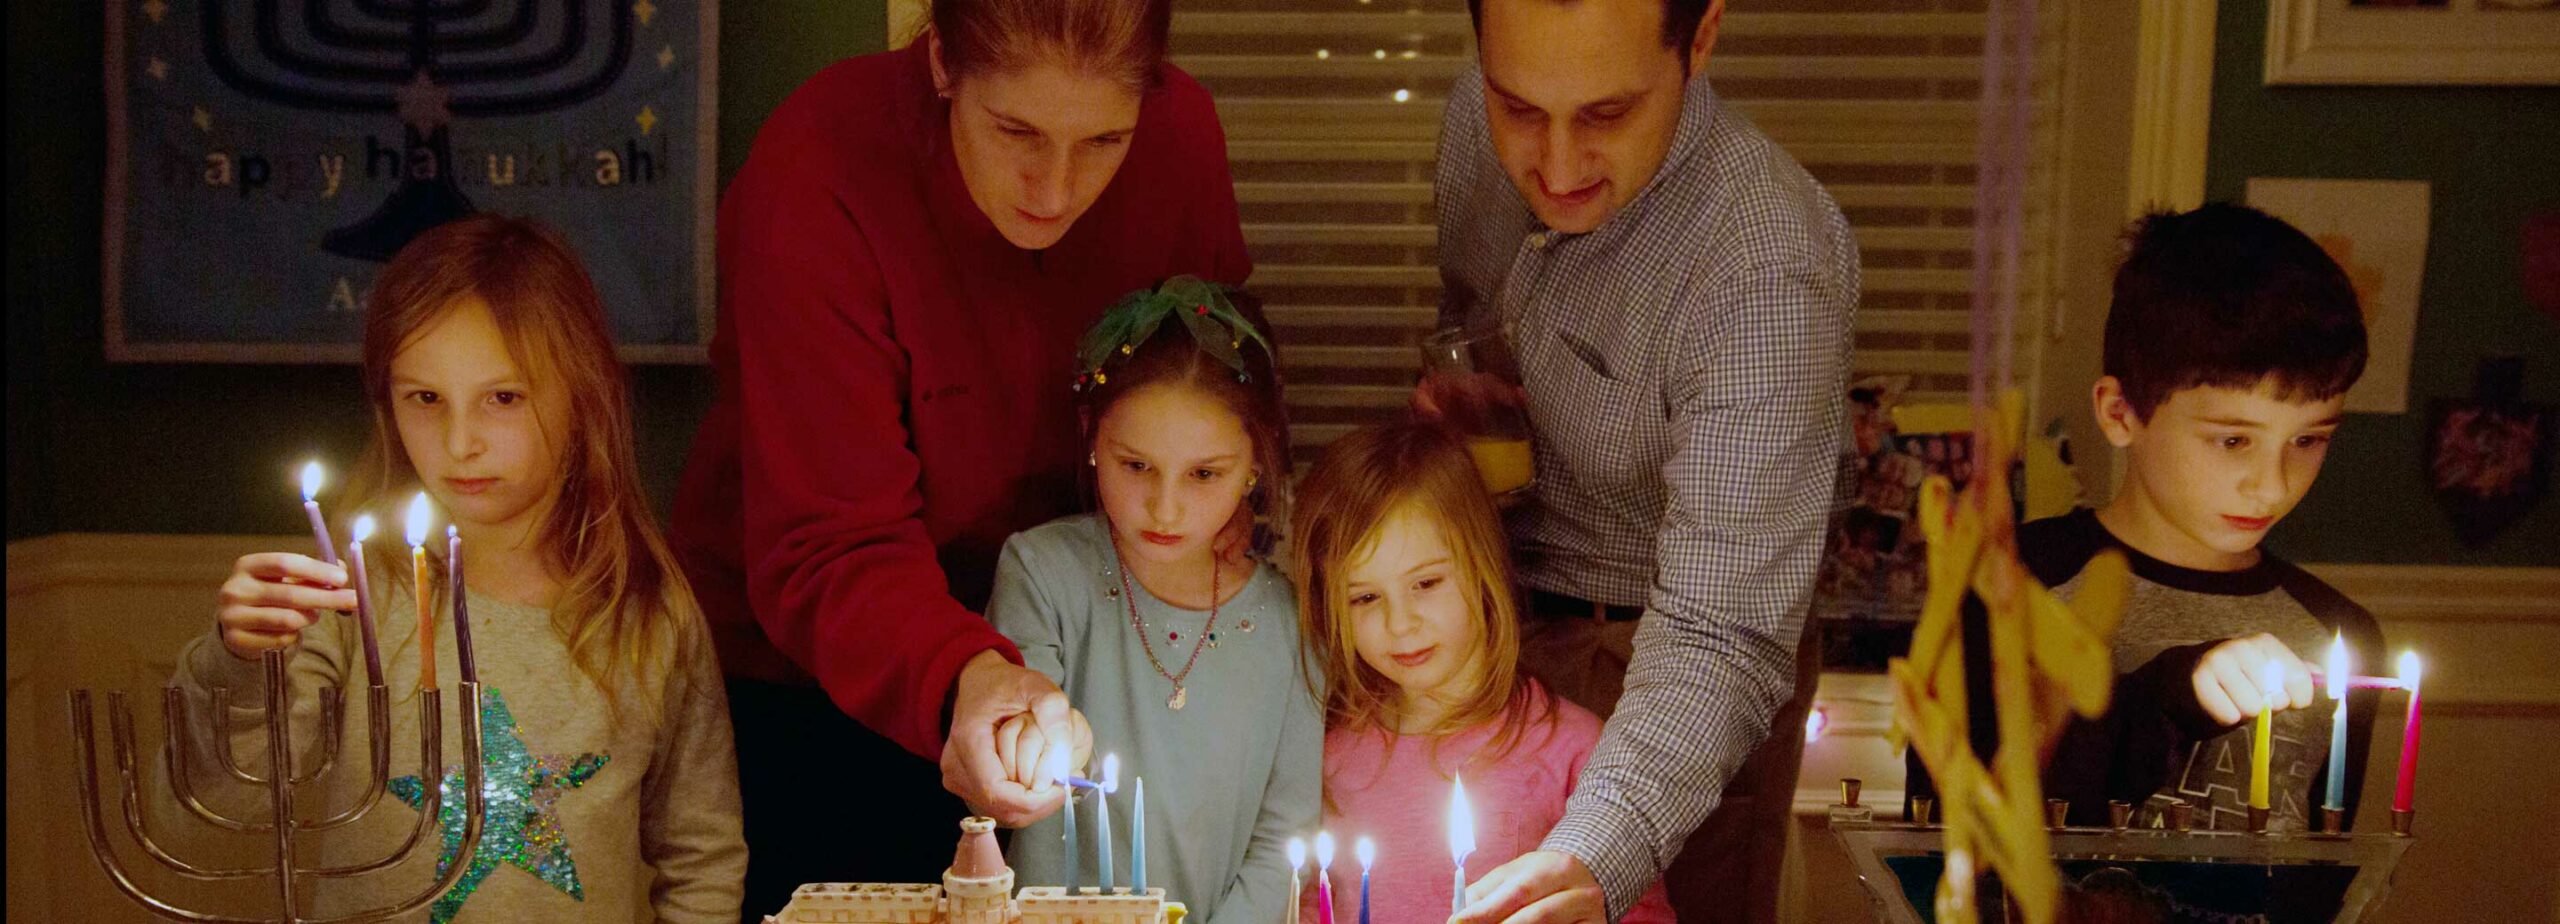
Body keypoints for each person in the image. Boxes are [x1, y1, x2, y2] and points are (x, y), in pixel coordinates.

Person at [665, 0, 1251, 913]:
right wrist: (967, 674)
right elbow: (829, 542)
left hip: (1076, 658)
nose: (1054, 188)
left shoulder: (1182, 142)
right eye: (1015, 129)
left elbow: (1220, 389)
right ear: (941, 60)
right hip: (816, 679)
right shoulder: (818, 166)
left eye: (1102, 141)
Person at [181, 215, 745, 922]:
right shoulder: (345, 597)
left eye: (503, 398)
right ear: (387, 403)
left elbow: (702, 856)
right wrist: (236, 663)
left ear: (583, 392)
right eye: (425, 399)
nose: (460, 442)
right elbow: (233, 797)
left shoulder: (646, 612)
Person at [1429, 0, 1861, 920]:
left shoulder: (1767, 266)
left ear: (1700, 37)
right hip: (1495, 622)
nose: (1552, 164)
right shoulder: (1473, 115)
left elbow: (1721, 629)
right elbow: (1469, 306)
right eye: (1518, 108)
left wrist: (1598, 848)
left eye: (1606, 116)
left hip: (1672, 666)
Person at [1906, 203, 2385, 835]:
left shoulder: (2335, 632)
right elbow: (1947, 839)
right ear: (2120, 413)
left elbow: (2322, 872)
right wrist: (2170, 696)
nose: (2272, 485)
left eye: (2308, 441)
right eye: (2233, 441)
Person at [983, 278, 1318, 923]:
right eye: (1136, 466)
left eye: (1204, 474)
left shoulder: (1289, 622)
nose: (1166, 508)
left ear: (1255, 462)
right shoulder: (1043, 574)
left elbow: (1282, 842)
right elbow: (1022, 762)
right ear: (1092, 440)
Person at [1289, 422, 1674, 924]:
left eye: (1426, 583)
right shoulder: (1323, 756)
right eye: (1365, 597)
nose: (1400, 623)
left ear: (1482, 564)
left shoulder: (1576, 751)